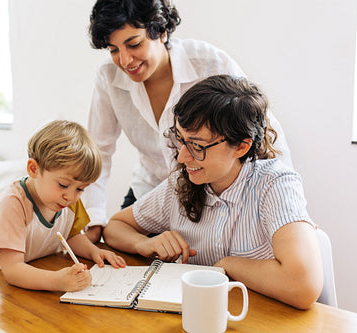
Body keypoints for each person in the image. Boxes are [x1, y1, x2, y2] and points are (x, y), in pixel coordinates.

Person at [103, 75, 323, 309]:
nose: (182, 156)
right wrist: (142, 243)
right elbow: (114, 228)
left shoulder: (275, 184)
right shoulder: (181, 183)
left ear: (241, 146)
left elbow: (303, 286)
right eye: (180, 139)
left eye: (197, 146)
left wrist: (228, 265)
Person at [82, 0, 293, 242]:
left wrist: (286, 204)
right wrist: (93, 218)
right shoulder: (108, 77)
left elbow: (261, 129)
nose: (125, 60)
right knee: (123, 252)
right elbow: (99, 151)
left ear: (160, 32)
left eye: (134, 44)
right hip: (151, 192)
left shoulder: (210, 63)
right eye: (113, 50)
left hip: (212, 194)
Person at [0, 120, 126, 292]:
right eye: (63, 185)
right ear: (33, 169)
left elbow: (71, 235)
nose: (71, 196)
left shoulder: (69, 201)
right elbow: (12, 270)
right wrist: (57, 281)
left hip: (33, 283)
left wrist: (94, 252)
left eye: (80, 189)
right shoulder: (14, 203)